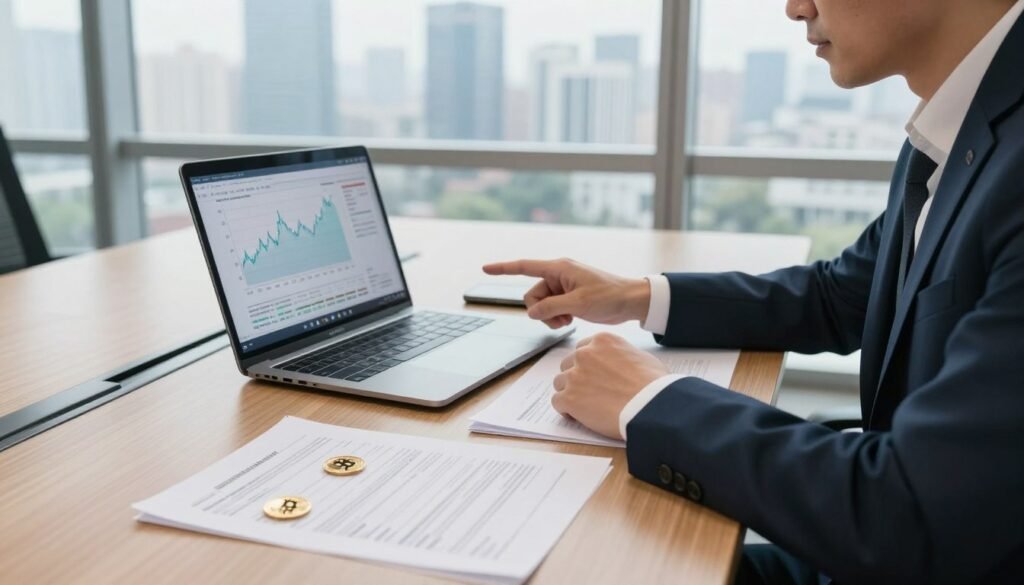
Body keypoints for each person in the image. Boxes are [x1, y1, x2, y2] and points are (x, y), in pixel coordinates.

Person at [484, 0, 1024, 583]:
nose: (796, 8)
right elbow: (839, 295)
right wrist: (636, 296)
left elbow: (909, 513)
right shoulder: (957, 125)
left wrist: (649, 401)